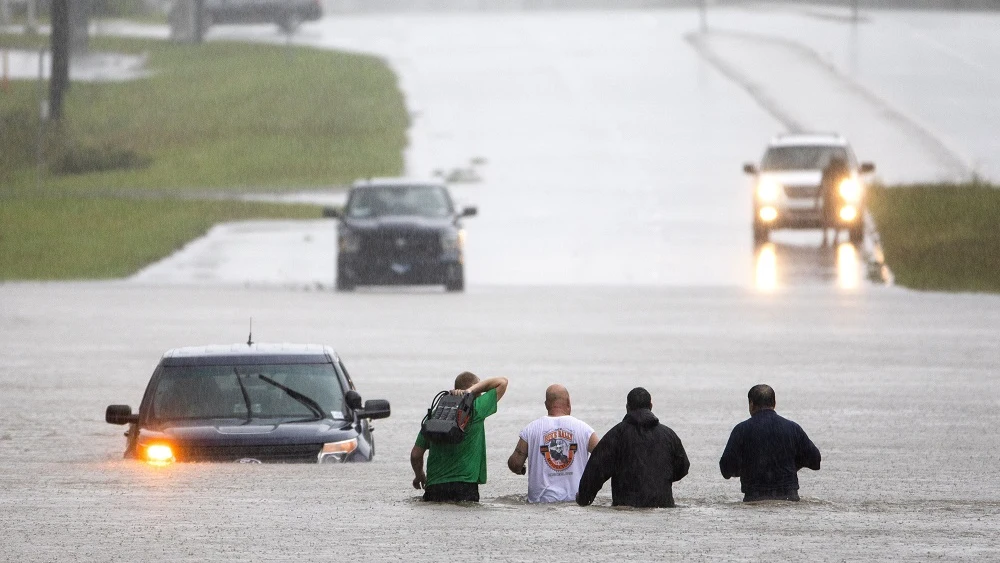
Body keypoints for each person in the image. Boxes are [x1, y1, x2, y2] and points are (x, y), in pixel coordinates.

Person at [576, 387, 689, 508]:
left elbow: (596, 469)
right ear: (651, 406)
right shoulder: (669, 435)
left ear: (627, 407)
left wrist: (583, 498)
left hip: (626, 506)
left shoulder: (616, 435)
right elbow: (683, 467)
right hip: (663, 505)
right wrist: (661, 477)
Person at [410, 371, 508, 502]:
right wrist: (471, 391)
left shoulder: (435, 415)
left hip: (435, 486)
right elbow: (502, 382)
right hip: (465, 485)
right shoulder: (476, 408)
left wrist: (419, 475)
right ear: (474, 387)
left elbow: (416, 454)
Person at [719, 384, 822, 502]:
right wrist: (792, 466)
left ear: (751, 404)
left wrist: (746, 468)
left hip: (754, 498)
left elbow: (726, 470)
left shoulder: (741, 430)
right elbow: (815, 461)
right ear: (774, 403)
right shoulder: (793, 428)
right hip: (789, 499)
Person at [507, 384, 600, 503]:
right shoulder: (585, 430)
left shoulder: (530, 430)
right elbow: (605, 457)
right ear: (569, 402)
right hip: (576, 502)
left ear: (546, 404)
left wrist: (521, 469)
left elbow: (515, 464)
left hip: (540, 503)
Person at [818, 156, 851, 246]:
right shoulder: (836, 171)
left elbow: (821, 185)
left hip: (834, 197)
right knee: (833, 218)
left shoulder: (837, 171)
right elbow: (822, 184)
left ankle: (829, 237)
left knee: (831, 218)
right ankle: (831, 237)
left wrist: (817, 198)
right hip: (833, 198)